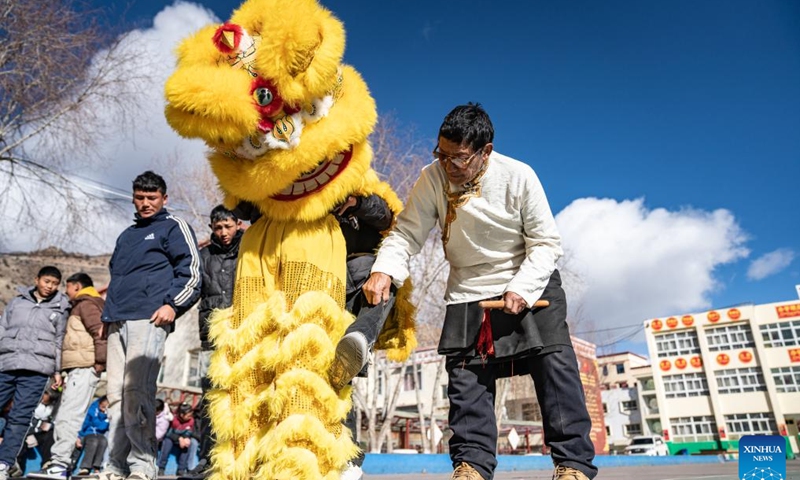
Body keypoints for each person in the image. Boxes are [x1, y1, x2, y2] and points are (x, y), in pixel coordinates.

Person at [362, 104, 598, 480]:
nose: (448, 166)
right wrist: (385, 270)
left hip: (529, 280)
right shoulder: (432, 177)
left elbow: (546, 244)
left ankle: (573, 465)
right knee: (466, 380)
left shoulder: (519, 175)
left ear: (485, 151)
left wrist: (521, 287)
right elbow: (407, 233)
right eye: (441, 154)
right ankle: (471, 465)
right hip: (469, 289)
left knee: (556, 368)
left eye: (458, 158)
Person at [98, 171, 201, 480]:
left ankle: (143, 465)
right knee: (115, 393)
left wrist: (173, 304)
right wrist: (108, 317)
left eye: (152, 198)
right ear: (133, 197)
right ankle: (115, 466)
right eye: (140, 198)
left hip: (149, 317)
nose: (145, 203)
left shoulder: (174, 227)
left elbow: (192, 272)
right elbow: (117, 279)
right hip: (118, 320)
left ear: (164, 199)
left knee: (138, 392)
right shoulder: (127, 235)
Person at [327, 193, 394, 480]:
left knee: (341, 373)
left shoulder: (359, 184)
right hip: (321, 276)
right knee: (331, 376)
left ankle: (359, 340)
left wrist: (358, 202)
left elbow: (387, 215)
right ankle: (342, 454)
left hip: (362, 272)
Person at [31, 272, 107, 479]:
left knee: (69, 416)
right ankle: (58, 463)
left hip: (85, 367)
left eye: (67, 287)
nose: (65, 292)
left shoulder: (87, 304)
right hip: (78, 368)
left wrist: (99, 362)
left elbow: (99, 332)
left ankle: (60, 464)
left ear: (75, 286)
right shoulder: (86, 304)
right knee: (65, 415)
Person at [185, 205, 242, 478]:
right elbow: (191, 287)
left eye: (228, 226)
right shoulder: (203, 255)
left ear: (238, 224)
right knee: (212, 400)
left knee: (246, 399)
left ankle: (246, 461)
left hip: (246, 336)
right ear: (211, 228)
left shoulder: (251, 251)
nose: (223, 232)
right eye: (218, 228)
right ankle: (209, 460)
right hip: (213, 338)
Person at [0, 266, 70, 480]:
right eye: (47, 281)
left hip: (38, 369)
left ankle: (3, 464)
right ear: (37, 280)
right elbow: (2, 329)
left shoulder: (61, 307)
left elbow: (59, 341)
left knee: (20, 417)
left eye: (55, 283)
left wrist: (57, 371)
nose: (50, 286)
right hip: (7, 363)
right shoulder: (17, 302)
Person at [156, 404, 198, 477]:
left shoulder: (191, 421)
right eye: (188, 416)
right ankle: (161, 468)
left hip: (182, 439)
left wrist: (186, 438)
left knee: (187, 445)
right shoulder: (173, 419)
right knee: (167, 444)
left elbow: (189, 432)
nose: (190, 417)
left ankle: (181, 469)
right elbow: (168, 433)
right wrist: (179, 438)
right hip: (171, 438)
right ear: (182, 415)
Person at [72, 396, 110, 475]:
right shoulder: (93, 410)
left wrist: (105, 415)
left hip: (100, 435)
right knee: (93, 442)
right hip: (88, 434)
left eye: (106, 408)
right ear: (99, 404)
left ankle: (96, 467)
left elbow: (103, 427)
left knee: (103, 441)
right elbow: (86, 423)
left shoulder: (108, 415)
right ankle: (85, 467)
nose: (103, 409)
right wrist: (79, 436)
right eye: (102, 407)